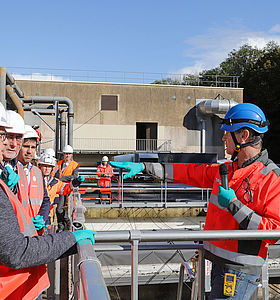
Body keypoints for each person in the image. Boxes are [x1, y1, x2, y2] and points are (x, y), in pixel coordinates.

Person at [110, 103, 280, 299]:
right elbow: (189, 172)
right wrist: (145, 167)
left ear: (244, 136)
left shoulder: (271, 178)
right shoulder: (229, 170)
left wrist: (234, 205)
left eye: (227, 132)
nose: (223, 137)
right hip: (219, 263)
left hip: (239, 271)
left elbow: (273, 232)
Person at [0, 105, 96, 299]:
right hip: (15, 277)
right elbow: (13, 251)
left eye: (18, 139)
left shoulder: (33, 173)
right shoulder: (12, 172)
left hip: (33, 245)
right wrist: (70, 238)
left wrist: (43, 217)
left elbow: (48, 195)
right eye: (5, 136)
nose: (11, 144)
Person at [18, 125, 51, 233]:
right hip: (18, 230)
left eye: (33, 147)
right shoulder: (10, 171)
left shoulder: (38, 172)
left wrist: (42, 217)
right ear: (19, 146)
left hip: (36, 231)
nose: (29, 151)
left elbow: (45, 200)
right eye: (26, 146)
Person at [56, 144, 83, 232]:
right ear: (63, 154)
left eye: (69, 154)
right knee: (59, 209)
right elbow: (55, 175)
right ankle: (62, 225)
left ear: (71, 155)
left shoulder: (74, 165)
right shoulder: (58, 163)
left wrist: (62, 177)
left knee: (64, 208)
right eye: (65, 154)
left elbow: (74, 177)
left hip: (69, 189)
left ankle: (66, 223)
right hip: (58, 188)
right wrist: (62, 177)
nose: (67, 155)